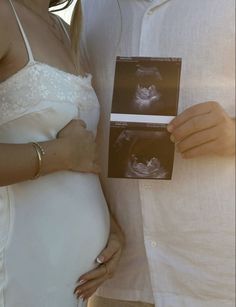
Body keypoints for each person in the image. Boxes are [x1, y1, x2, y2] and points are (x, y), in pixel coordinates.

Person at [78, 1, 235, 306]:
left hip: (218, 275)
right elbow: (76, 124)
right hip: (119, 276)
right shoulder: (90, 8)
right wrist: (99, 218)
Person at [0, 0, 124, 306]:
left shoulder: (67, 31)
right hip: (21, 265)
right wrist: (57, 155)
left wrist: (112, 228)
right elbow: (73, 152)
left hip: (72, 281)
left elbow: (84, 157)